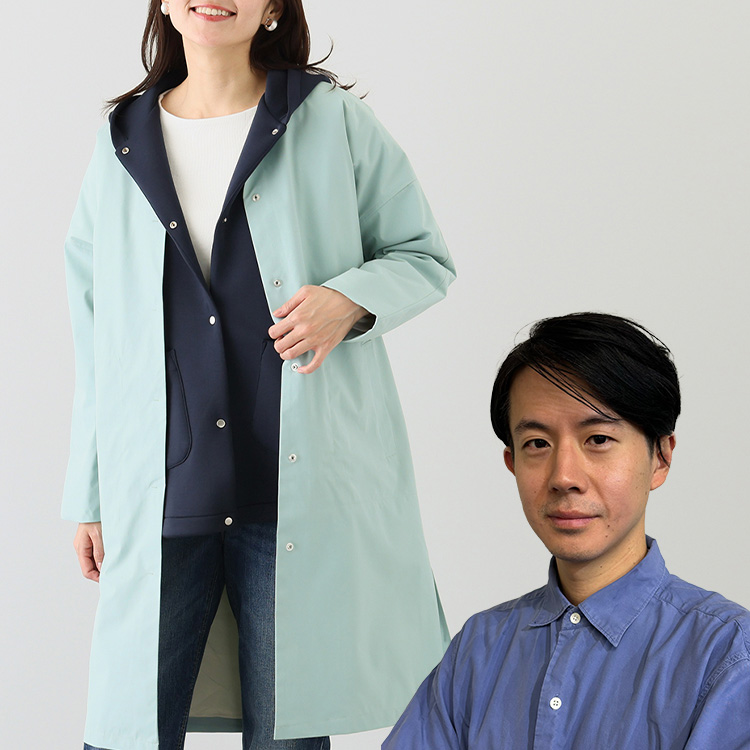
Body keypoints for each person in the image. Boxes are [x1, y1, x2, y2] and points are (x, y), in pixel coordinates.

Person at [62, 2, 455, 748]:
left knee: (288, 736)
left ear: (274, 7)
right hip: (163, 487)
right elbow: (95, 335)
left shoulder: (329, 120)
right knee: (124, 733)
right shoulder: (122, 141)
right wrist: (89, 491)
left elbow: (422, 254)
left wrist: (350, 300)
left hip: (292, 488)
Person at [383, 312, 750, 749]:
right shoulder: (478, 649)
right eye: (538, 444)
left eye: (598, 439)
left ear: (661, 457)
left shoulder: (727, 653)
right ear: (512, 462)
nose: (564, 477)